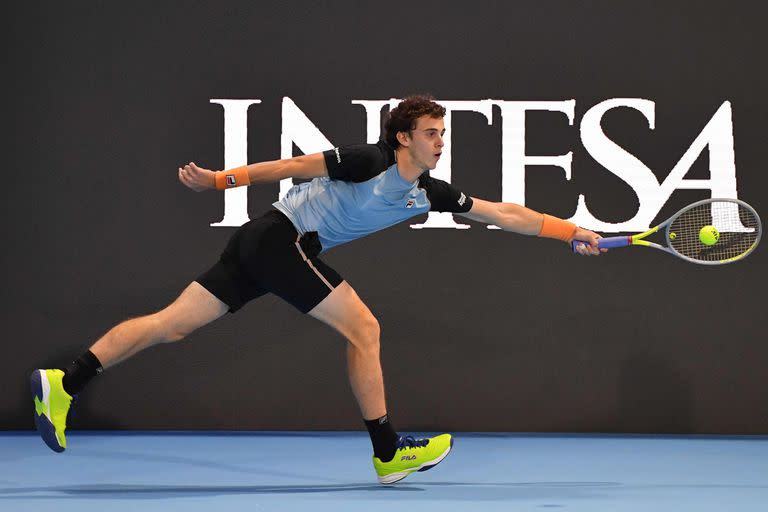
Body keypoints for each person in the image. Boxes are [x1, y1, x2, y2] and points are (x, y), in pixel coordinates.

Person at [31, 95, 604, 484]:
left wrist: (572, 231)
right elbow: (291, 166)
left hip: (263, 245)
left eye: (443, 133)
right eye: (431, 133)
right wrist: (221, 180)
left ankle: (66, 382)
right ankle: (387, 452)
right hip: (282, 240)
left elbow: (503, 213)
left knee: (172, 324)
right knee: (365, 327)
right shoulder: (367, 161)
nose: (440, 142)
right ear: (403, 137)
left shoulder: (427, 192)